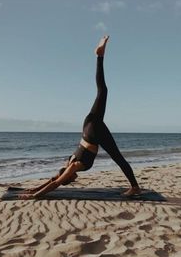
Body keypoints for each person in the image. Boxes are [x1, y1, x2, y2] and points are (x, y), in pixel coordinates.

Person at [19, 36, 140, 200]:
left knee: (118, 157)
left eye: (71, 180)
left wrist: (35, 195)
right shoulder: (67, 163)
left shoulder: (72, 167)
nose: (74, 179)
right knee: (102, 91)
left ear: (69, 176)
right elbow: (54, 179)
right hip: (87, 125)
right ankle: (99, 56)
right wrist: (33, 189)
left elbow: (56, 183)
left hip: (93, 133)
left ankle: (135, 187)